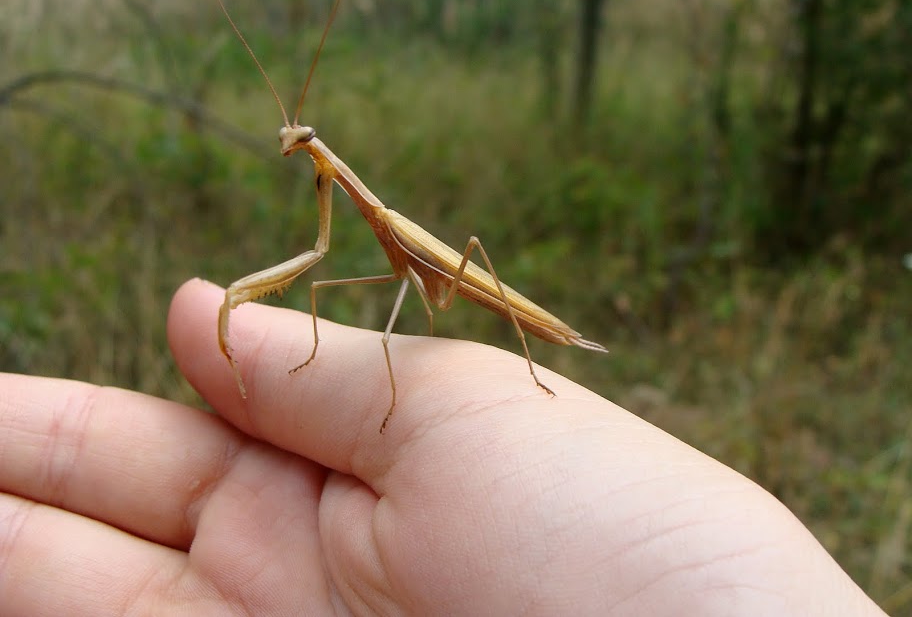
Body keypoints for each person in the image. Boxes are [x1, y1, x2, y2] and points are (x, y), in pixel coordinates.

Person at [0, 278, 886, 616]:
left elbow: (379, 284)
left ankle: (543, 349)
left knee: (427, 280)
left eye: (299, 138)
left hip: (461, 277)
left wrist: (374, 378)